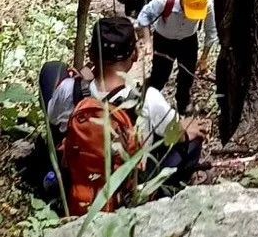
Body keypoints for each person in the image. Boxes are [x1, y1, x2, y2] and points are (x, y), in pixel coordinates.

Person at [41, 18, 204, 211]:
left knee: (52, 70)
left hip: (78, 185)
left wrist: (84, 78)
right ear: (134, 55)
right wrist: (188, 127)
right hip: (124, 193)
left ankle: (54, 172)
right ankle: (164, 197)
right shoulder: (147, 100)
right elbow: (174, 135)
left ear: (92, 54)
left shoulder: (70, 89)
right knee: (192, 141)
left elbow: (52, 118)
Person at [138, 0, 216, 115]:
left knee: (187, 74)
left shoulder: (205, 5)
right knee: (160, 75)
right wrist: (147, 41)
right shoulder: (164, 0)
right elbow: (144, 16)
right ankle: (147, 103)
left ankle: (183, 103)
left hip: (188, 41)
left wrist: (204, 58)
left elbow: (211, 31)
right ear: (183, 1)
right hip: (163, 40)